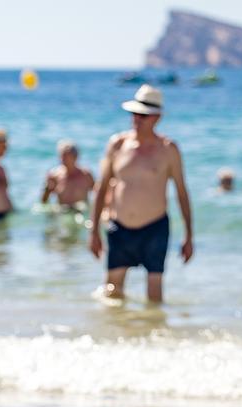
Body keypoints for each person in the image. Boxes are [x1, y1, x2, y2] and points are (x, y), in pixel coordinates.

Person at [88, 85, 193, 303]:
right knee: (112, 292)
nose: (137, 119)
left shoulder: (168, 149)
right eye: (134, 114)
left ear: (156, 117)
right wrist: (94, 231)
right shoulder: (117, 144)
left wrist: (189, 236)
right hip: (119, 226)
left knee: (154, 295)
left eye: (143, 116)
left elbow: (182, 193)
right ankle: (117, 335)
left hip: (155, 227)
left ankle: (154, 335)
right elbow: (102, 188)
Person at [41, 140, 94, 208]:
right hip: (63, 211)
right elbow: (44, 202)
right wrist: (47, 190)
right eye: (62, 156)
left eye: (66, 156)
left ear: (75, 157)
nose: (63, 159)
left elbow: (98, 193)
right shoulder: (54, 175)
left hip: (81, 211)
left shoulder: (86, 174)